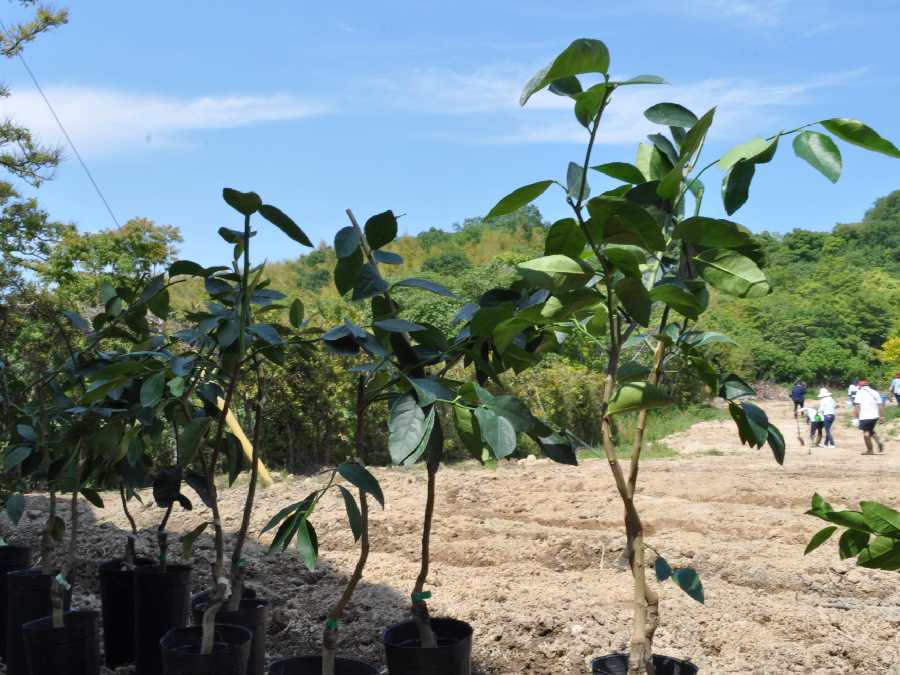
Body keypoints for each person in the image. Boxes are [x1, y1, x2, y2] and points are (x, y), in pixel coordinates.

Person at [853, 379, 885, 455]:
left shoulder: (859, 393)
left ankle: (870, 450)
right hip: (875, 416)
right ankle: (879, 442)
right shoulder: (875, 392)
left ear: (860, 386)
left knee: (866, 433)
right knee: (870, 430)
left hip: (865, 416)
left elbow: (857, 406)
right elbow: (880, 405)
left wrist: (856, 417)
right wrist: (882, 416)